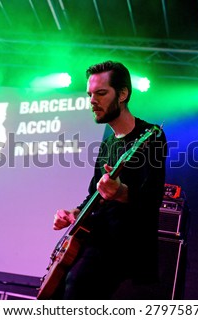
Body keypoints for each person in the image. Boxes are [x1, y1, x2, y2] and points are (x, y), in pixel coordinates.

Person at [50, 60, 167, 299]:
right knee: (56, 291)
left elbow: (153, 198)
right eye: (90, 94)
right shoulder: (107, 143)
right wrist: (73, 213)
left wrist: (122, 192)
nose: (93, 100)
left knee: (76, 286)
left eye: (101, 93)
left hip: (123, 246)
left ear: (123, 94)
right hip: (95, 238)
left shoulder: (150, 136)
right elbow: (94, 194)